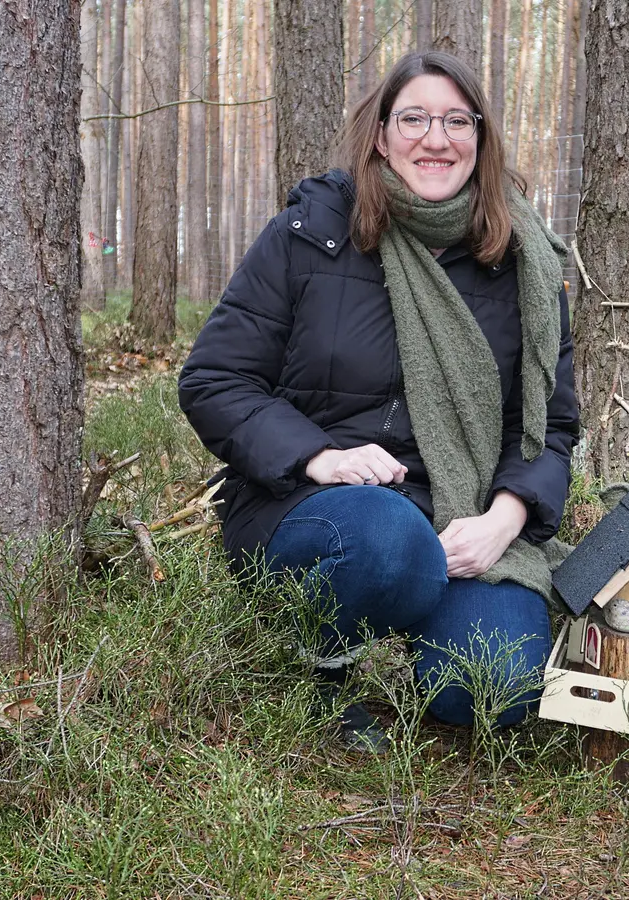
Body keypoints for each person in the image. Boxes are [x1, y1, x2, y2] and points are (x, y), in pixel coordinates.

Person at [178, 50, 579, 747]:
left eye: (457, 121)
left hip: (455, 515)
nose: (436, 139)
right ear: (381, 135)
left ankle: (421, 630)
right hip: (306, 504)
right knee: (389, 541)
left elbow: (549, 426)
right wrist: (320, 458)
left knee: (494, 686)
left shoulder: (523, 264)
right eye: (414, 119)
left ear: (480, 139)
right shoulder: (313, 234)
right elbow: (214, 380)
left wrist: (502, 521)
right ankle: (316, 661)